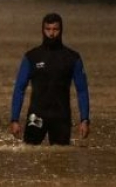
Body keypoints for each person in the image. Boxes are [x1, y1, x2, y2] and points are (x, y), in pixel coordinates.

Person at [9, 12, 91, 145]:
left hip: (61, 117)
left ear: (61, 30)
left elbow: (82, 90)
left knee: (60, 159)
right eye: (48, 29)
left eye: (55, 29)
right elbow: (19, 88)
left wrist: (85, 120)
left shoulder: (72, 58)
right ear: (43, 30)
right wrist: (14, 119)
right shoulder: (31, 57)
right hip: (36, 116)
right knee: (29, 154)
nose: (51, 34)